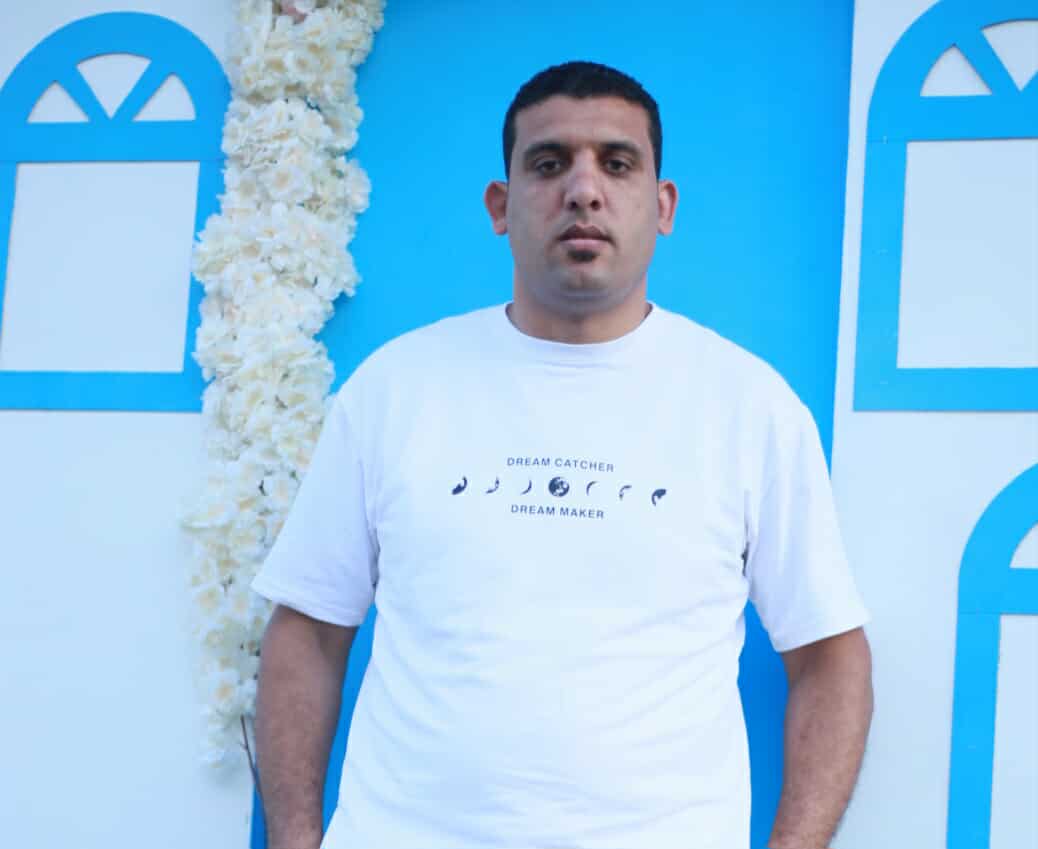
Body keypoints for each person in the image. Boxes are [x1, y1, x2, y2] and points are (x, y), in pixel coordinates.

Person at [252, 61, 873, 849]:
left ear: (663, 204)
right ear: (501, 205)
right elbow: (307, 631)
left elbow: (830, 656)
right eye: (549, 164)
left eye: (617, 163)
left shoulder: (750, 406)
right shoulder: (394, 389)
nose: (584, 190)